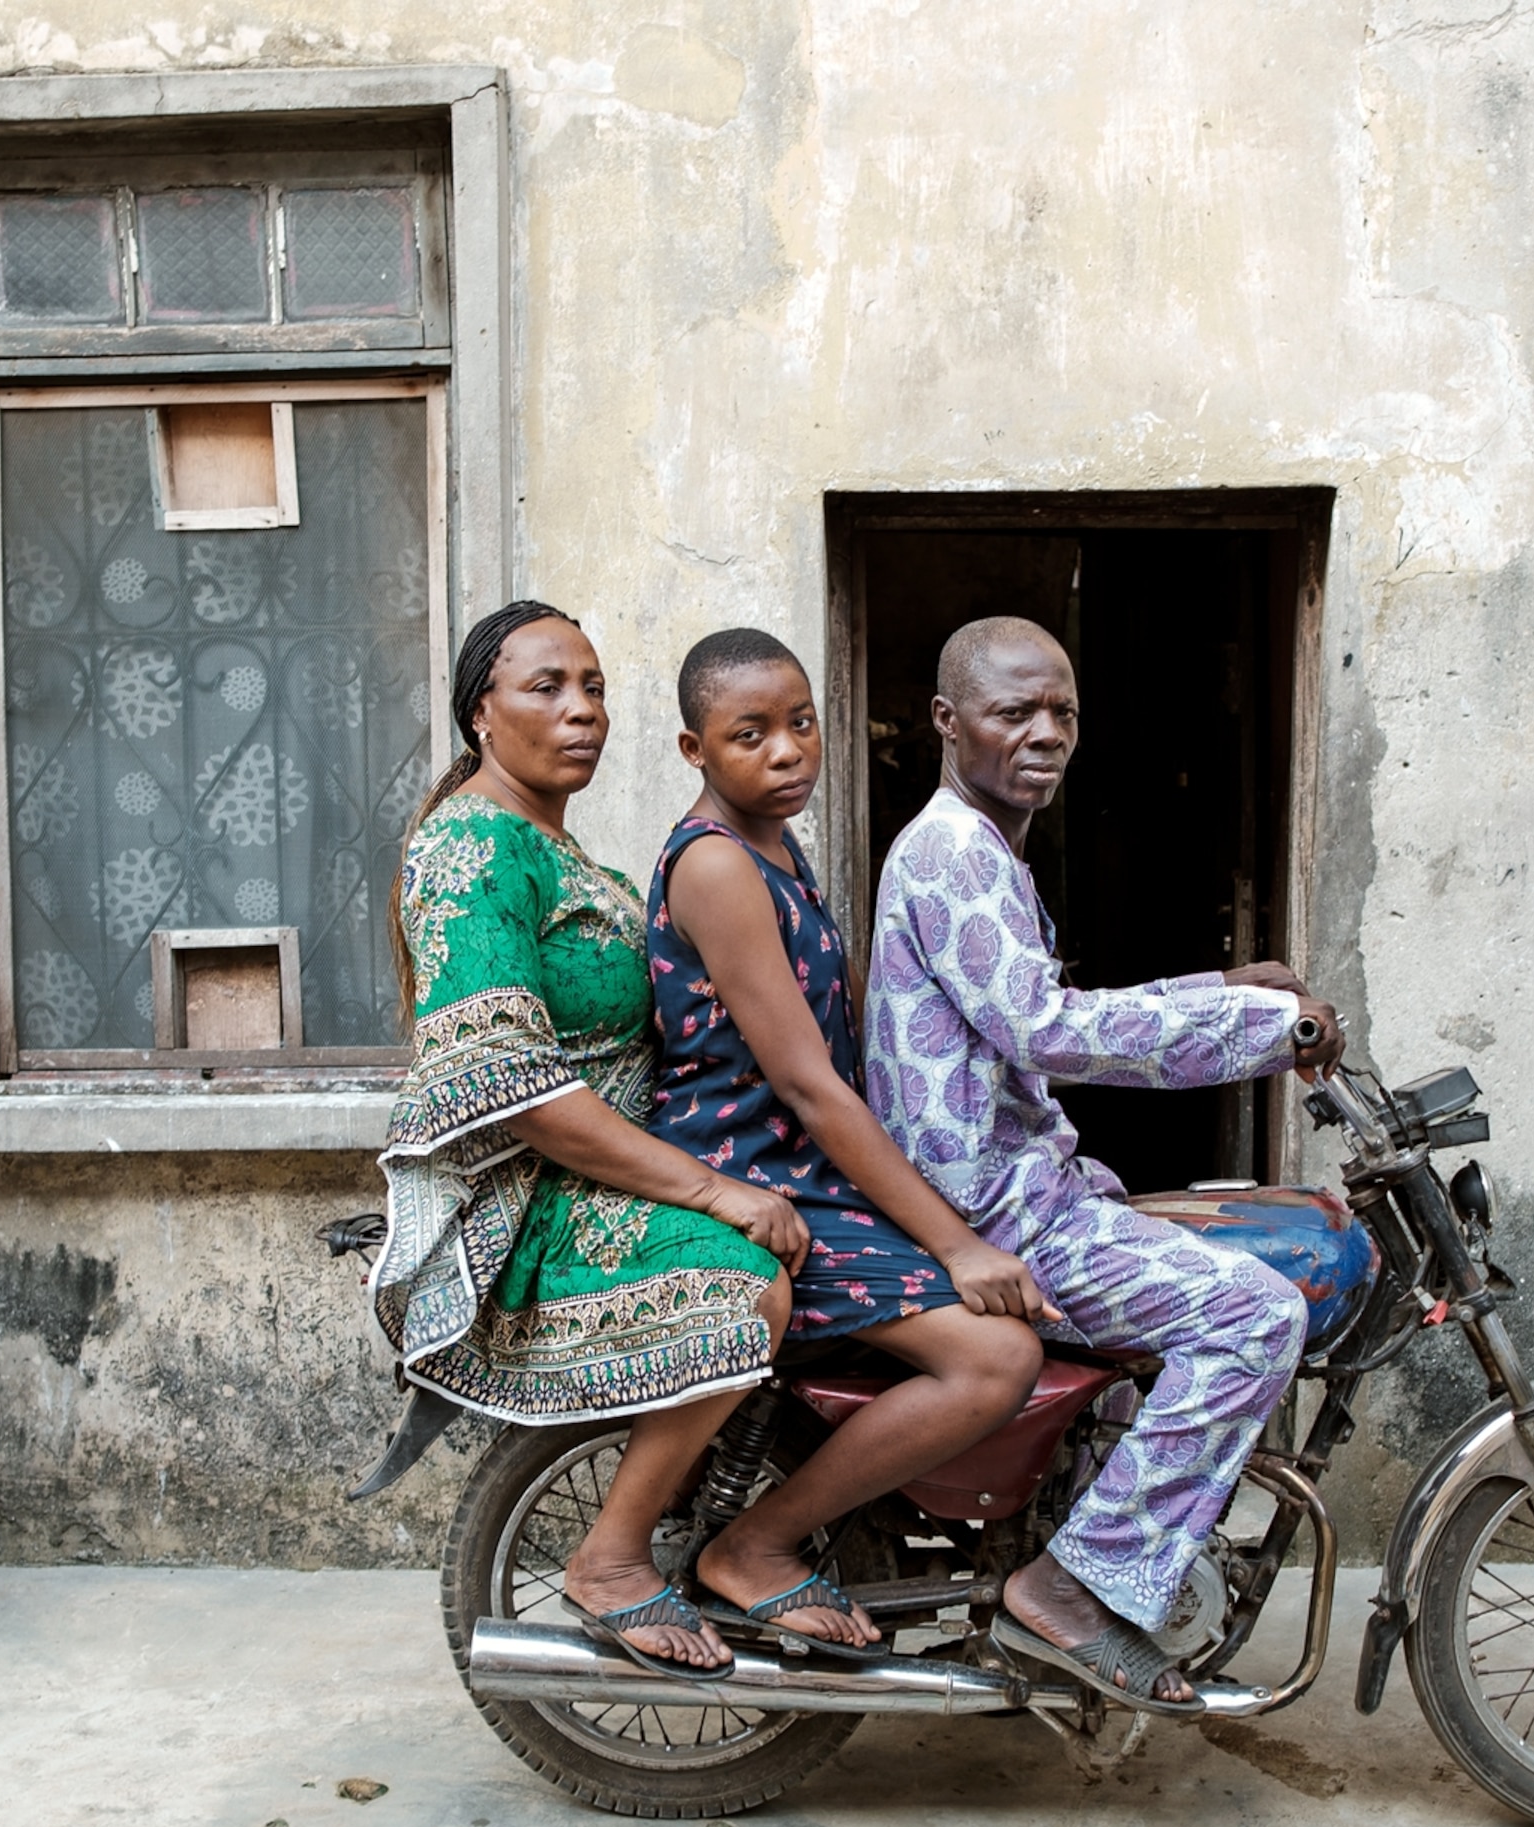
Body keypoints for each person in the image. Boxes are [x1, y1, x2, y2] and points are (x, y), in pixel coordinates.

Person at [864, 616, 1346, 1709]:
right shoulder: (953, 854)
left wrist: (1227, 987)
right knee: (1258, 1316)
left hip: (1026, 1190)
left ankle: (1105, 1521)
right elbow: (1049, 1029)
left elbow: (1041, 1013)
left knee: (1213, 1236)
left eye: (1063, 712)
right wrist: (1269, 1032)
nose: (1045, 734)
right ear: (949, 721)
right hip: (1002, 1216)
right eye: (1013, 712)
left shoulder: (980, 848)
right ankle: (1071, 1589)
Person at [370, 601, 809, 1677]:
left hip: (605, 1166)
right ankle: (611, 1559)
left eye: (595, 687)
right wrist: (714, 1191)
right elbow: (514, 1088)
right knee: (747, 1284)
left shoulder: (570, 857)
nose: (581, 711)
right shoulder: (471, 849)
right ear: (483, 713)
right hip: (533, 1197)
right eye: (547, 687)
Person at [645, 629, 1052, 1649]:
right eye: (750, 734)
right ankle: (755, 1544)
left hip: (809, 1164)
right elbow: (807, 1083)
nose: (786, 751)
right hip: (761, 1171)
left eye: (800, 723)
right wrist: (955, 1243)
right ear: (695, 749)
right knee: (995, 1357)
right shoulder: (716, 866)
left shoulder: (778, 847)